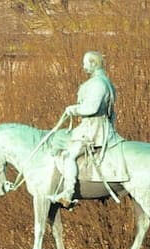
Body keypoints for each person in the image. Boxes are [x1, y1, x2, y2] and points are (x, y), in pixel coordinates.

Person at [54, 51, 120, 207]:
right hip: (95, 126)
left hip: (93, 129)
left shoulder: (98, 84)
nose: (83, 66)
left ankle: (68, 193)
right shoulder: (105, 82)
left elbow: (91, 108)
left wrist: (73, 109)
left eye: (85, 63)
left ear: (93, 63)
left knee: (69, 155)